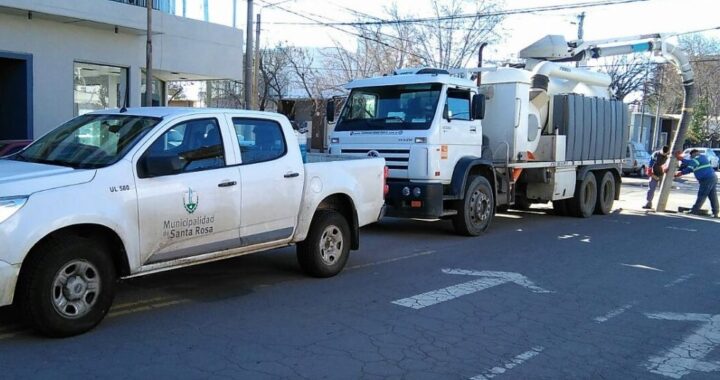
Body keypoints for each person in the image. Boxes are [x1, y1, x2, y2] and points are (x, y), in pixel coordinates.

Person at [675, 149, 718, 218]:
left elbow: (691, 165)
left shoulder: (699, 158)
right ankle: (715, 212)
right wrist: (681, 163)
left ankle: (694, 210)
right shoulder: (700, 159)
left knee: (701, 195)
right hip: (711, 178)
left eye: (691, 156)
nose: (691, 157)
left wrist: (681, 162)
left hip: (706, 179)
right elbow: (690, 166)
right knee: (712, 196)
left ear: (694, 154)